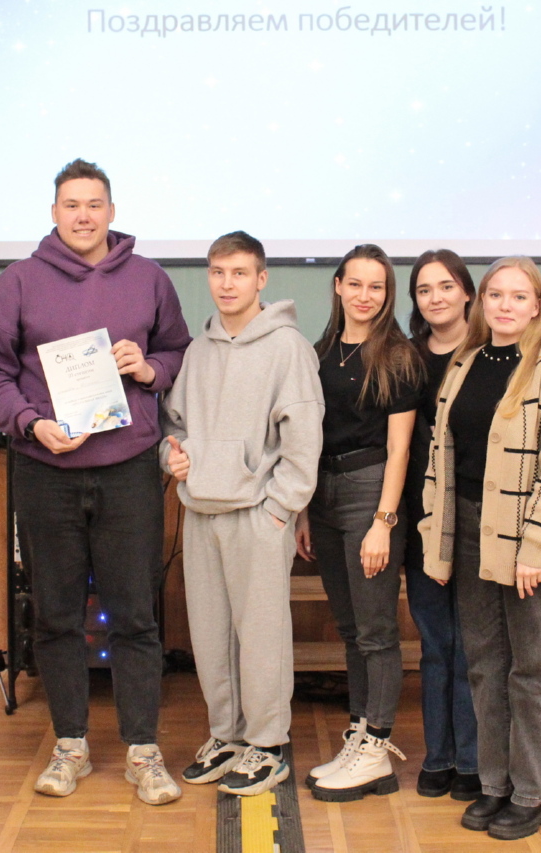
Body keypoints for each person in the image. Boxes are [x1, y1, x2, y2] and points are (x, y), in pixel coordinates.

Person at [0, 158, 191, 805]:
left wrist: (147, 368)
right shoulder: (18, 281)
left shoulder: (149, 278)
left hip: (128, 470)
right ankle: (71, 745)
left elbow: (177, 351)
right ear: (54, 212)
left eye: (94, 204)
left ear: (112, 212)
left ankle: (143, 751)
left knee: (136, 616)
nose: (84, 215)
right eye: (72, 204)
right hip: (46, 471)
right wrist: (30, 423)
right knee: (56, 616)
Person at [421, 256, 541, 840]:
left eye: (519, 296)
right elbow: (441, 459)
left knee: (531, 668)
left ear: (537, 305)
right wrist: (437, 540)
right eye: (496, 294)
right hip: (470, 532)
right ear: (481, 302)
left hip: (524, 542)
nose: (506, 306)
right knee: (485, 664)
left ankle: (535, 793)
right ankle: (496, 785)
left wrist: (534, 546)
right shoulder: (465, 363)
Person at [160, 231, 324, 796]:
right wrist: (173, 457)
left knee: (261, 636)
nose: (227, 284)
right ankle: (226, 736)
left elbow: (303, 439)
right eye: (217, 272)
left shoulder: (287, 348)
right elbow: (173, 426)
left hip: (258, 514)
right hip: (201, 511)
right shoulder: (198, 350)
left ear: (261, 279)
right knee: (210, 634)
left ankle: (268, 746)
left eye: (239, 273)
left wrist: (280, 510)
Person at [296, 244, 422, 802]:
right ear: (339, 286)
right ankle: (360, 734)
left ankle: (377, 749)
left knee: (375, 632)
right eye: (355, 284)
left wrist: (383, 523)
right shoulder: (321, 352)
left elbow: (400, 450)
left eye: (376, 286)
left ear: (386, 293)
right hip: (323, 495)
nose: (364, 295)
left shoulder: (398, 356)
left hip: (370, 492)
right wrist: (305, 509)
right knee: (350, 629)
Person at [404, 250, 481, 800]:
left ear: (467, 292)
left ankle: (473, 761)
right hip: (420, 519)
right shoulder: (405, 359)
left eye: (446, 286)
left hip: (475, 518)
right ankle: (439, 757)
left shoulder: (489, 354)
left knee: (473, 645)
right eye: (424, 289)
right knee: (436, 643)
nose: (436, 297)